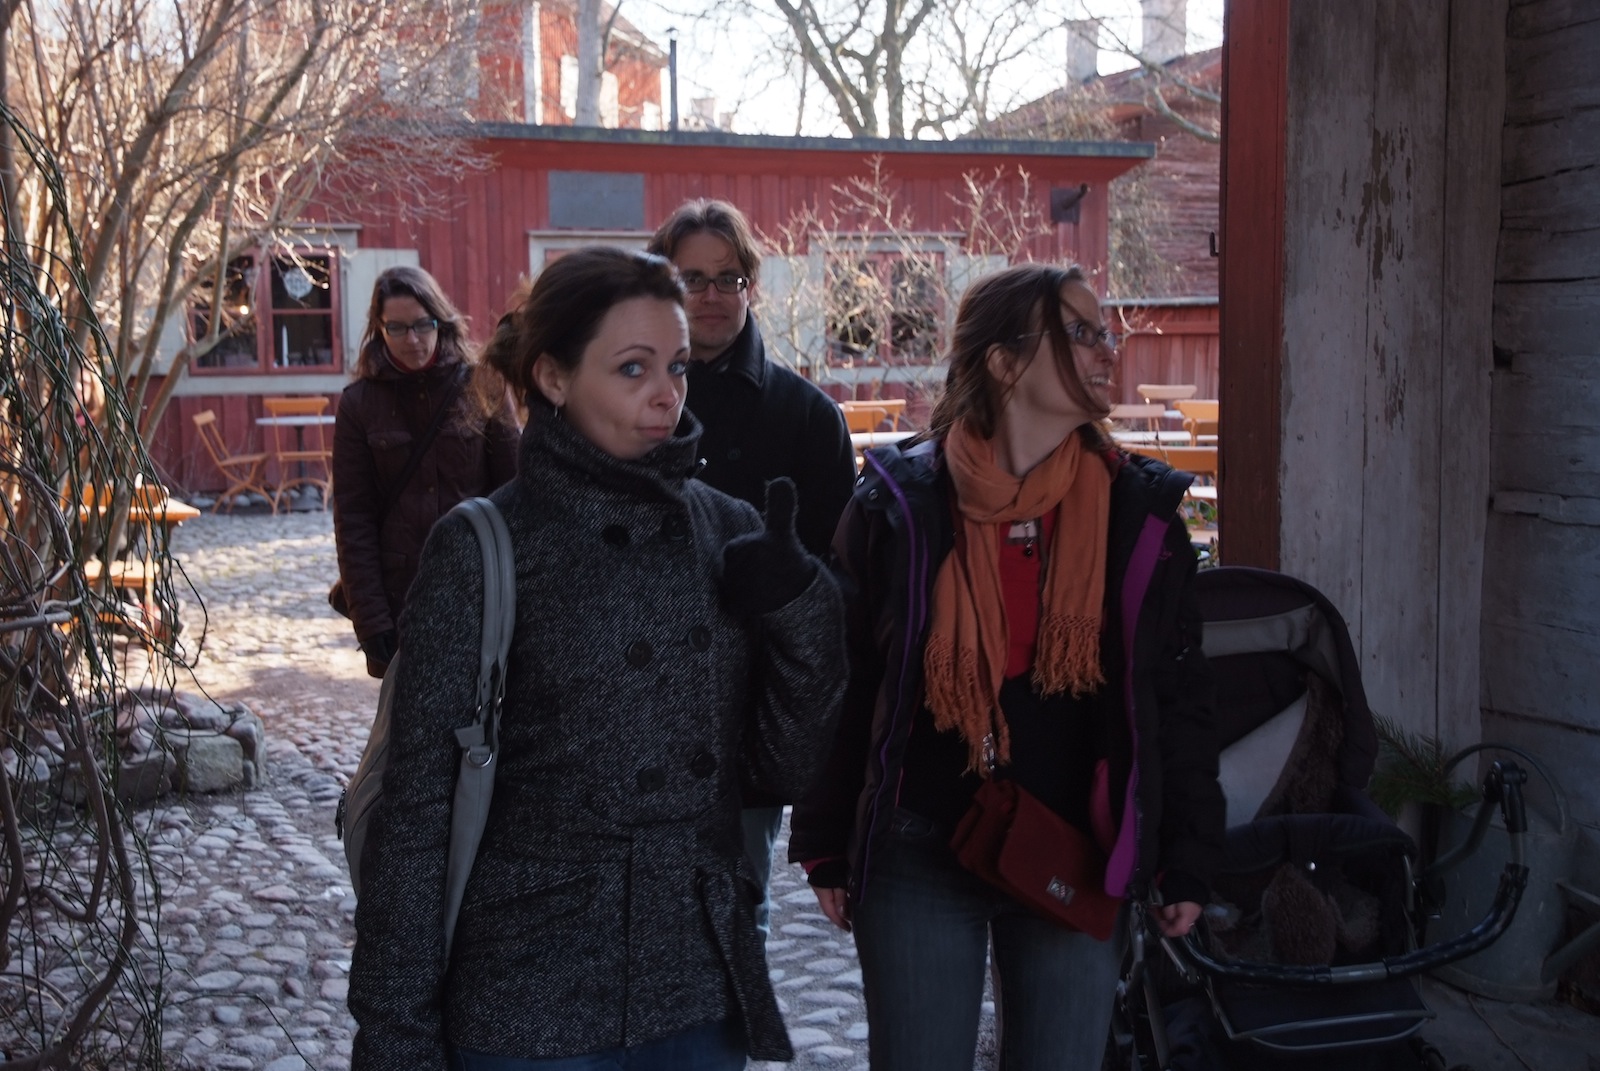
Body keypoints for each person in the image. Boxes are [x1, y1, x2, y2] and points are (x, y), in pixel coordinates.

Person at [347, 247, 848, 1070]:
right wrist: (395, 1035)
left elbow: (781, 769)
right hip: (528, 1000)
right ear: (552, 376)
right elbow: (419, 813)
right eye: (632, 368)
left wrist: (801, 607)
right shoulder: (485, 546)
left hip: (695, 993)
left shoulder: (725, 529)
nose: (667, 393)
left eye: (677, 366)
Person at [788, 263, 1225, 1071]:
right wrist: (824, 836)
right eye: (1082, 333)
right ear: (1003, 361)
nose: (1108, 351)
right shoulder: (898, 502)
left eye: (1105, 332)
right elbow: (842, 679)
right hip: (918, 847)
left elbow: (1178, 695)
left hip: (1076, 849)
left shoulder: (1138, 512)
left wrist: (1186, 852)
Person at [647, 198, 856, 937]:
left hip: (744, 707)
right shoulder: (618, 404)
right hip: (629, 695)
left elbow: (839, 590)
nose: (711, 295)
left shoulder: (807, 418)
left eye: (727, 278)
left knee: (734, 914)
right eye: (691, 278)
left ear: (751, 285)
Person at [331, 265, 519, 679]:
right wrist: (370, 620)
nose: (412, 340)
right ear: (379, 329)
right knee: (406, 716)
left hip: (477, 587)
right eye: (397, 328)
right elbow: (353, 519)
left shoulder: (483, 385)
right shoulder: (359, 404)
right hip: (401, 598)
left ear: (441, 321)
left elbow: (517, 494)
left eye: (422, 325)